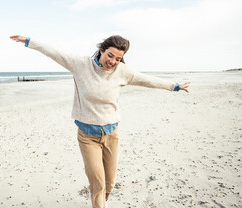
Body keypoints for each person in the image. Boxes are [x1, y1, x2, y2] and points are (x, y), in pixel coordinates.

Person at [10, 35, 190, 208]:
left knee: (110, 183)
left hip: (112, 134)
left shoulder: (122, 72)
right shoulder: (80, 65)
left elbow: (148, 80)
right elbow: (54, 52)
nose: (112, 61)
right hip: (88, 137)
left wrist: (174, 86)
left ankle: (102, 202)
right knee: (98, 182)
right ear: (102, 51)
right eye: (110, 55)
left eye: (118, 59)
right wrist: (28, 41)